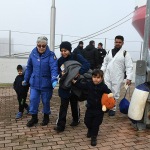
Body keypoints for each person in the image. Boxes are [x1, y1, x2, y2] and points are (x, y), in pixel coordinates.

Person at [54, 41, 90, 133]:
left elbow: (86, 64)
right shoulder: (60, 60)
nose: (63, 53)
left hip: (74, 85)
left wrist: (78, 74)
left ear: (69, 50)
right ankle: (61, 125)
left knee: (74, 103)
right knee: (63, 106)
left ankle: (76, 119)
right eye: (61, 51)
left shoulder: (76, 56)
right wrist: (60, 74)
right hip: (64, 86)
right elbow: (57, 71)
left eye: (65, 50)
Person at [23, 36, 58, 127]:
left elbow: (54, 68)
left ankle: (46, 116)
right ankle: (34, 117)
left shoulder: (51, 55)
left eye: (43, 45)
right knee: (33, 99)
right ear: (37, 44)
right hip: (34, 83)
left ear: (46, 45)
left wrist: (54, 79)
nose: (41, 47)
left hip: (46, 84)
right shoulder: (33, 54)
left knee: (46, 101)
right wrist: (26, 79)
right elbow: (29, 67)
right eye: (39, 45)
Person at [72, 69, 111, 146]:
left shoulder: (103, 86)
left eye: (98, 77)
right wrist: (74, 82)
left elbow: (109, 93)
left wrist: (110, 99)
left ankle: (94, 137)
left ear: (101, 78)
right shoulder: (89, 84)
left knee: (96, 124)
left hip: (99, 109)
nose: (96, 79)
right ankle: (90, 129)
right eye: (94, 77)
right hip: (90, 108)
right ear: (92, 77)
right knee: (87, 121)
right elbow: (81, 86)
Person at [101, 35, 133, 116]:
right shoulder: (109, 52)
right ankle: (108, 106)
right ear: (114, 42)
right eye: (116, 42)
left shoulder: (125, 53)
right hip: (108, 74)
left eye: (119, 42)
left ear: (122, 43)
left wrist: (129, 78)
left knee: (115, 92)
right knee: (107, 91)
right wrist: (101, 72)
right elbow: (104, 63)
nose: (117, 43)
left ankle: (113, 108)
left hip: (118, 75)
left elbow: (129, 66)